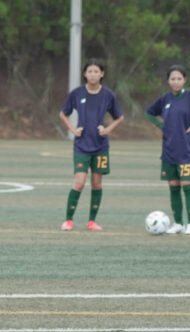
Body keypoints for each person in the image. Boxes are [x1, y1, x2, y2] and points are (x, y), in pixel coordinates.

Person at [145, 65, 190, 235]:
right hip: (168, 150)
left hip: (186, 149)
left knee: (187, 185)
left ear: (184, 80)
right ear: (168, 81)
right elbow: (149, 113)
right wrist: (160, 125)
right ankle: (178, 223)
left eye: (179, 78)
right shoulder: (165, 99)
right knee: (173, 187)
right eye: (173, 79)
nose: (176, 82)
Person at [58, 59, 124, 231]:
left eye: (96, 71)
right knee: (79, 182)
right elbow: (63, 114)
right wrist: (73, 130)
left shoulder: (108, 95)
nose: (93, 74)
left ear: (102, 74)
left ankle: (92, 221)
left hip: (100, 146)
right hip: (81, 145)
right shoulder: (77, 93)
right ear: (85, 74)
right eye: (90, 71)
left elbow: (120, 117)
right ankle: (68, 220)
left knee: (96, 183)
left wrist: (107, 129)